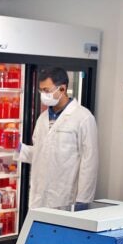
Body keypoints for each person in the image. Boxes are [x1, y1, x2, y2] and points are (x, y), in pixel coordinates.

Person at [15, 67, 98, 209]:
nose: (43, 95)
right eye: (41, 91)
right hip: (39, 196)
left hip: (65, 197)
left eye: (47, 91)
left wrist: (83, 200)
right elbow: (41, 153)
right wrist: (18, 149)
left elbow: (89, 161)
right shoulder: (42, 119)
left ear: (62, 89)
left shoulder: (83, 118)